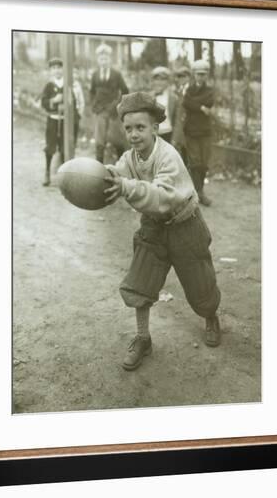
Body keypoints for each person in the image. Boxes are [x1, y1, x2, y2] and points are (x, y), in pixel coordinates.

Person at [104, 92, 221, 371]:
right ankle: (143, 338)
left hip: (185, 223)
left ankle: (210, 316)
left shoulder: (168, 156)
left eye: (140, 127)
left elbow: (161, 197)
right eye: (129, 128)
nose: (133, 134)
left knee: (200, 284)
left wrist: (126, 187)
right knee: (140, 281)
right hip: (154, 227)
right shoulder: (131, 157)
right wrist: (100, 175)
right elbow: (117, 172)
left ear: (155, 129)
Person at [90, 44, 129, 163]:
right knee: (99, 142)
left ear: (110, 59)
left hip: (113, 112)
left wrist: (117, 104)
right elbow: (91, 91)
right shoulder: (95, 74)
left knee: (117, 140)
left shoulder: (116, 74)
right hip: (100, 111)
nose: (104, 61)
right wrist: (94, 105)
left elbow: (125, 91)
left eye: (106, 58)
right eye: (101, 59)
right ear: (98, 60)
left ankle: (122, 167)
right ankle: (98, 168)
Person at [183, 59, 214, 206]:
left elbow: (209, 101)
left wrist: (194, 103)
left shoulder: (210, 90)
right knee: (195, 163)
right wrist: (201, 107)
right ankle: (198, 193)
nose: (200, 77)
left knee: (203, 164)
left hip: (205, 131)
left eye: (203, 74)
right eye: (198, 74)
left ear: (207, 75)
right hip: (191, 131)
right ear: (194, 75)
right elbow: (185, 102)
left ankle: (199, 191)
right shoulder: (189, 90)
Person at [40, 57, 65, 186]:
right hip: (53, 120)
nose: (57, 71)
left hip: (65, 121)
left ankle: (65, 176)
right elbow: (43, 102)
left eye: (59, 68)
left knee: (64, 147)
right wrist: (54, 100)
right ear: (51, 71)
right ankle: (47, 172)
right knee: (50, 146)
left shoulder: (68, 84)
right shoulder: (49, 86)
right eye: (54, 68)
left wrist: (67, 104)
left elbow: (75, 101)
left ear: (63, 69)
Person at [149, 66, 181, 146]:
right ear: (153, 81)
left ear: (167, 82)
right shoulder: (148, 97)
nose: (159, 82)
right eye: (156, 79)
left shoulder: (173, 98)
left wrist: (175, 139)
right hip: (153, 134)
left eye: (162, 79)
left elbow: (177, 120)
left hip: (168, 133)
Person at [72, 66, 85, 147]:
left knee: (74, 132)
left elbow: (81, 101)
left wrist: (80, 112)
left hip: (75, 112)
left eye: (76, 73)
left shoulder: (77, 85)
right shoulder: (65, 84)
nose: (74, 75)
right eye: (72, 73)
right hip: (66, 113)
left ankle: (73, 147)